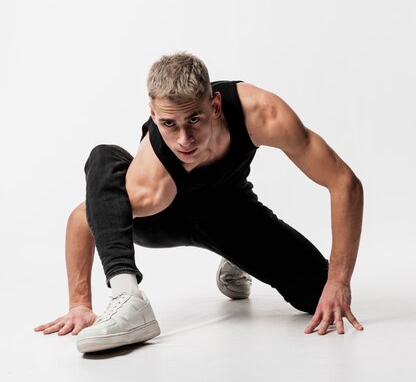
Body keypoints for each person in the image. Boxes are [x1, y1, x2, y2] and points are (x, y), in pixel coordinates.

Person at [35, 52, 364, 352]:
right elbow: (84, 217)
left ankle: (236, 259)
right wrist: (79, 304)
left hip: (229, 215)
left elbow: (344, 183)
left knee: (316, 293)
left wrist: (338, 281)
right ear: (153, 114)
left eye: (194, 119)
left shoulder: (262, 114)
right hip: (162, 220)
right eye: (168, 124)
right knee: (103, 157)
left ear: (216, 106)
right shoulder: (152, 178)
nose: (184, 139)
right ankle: (129, 299)